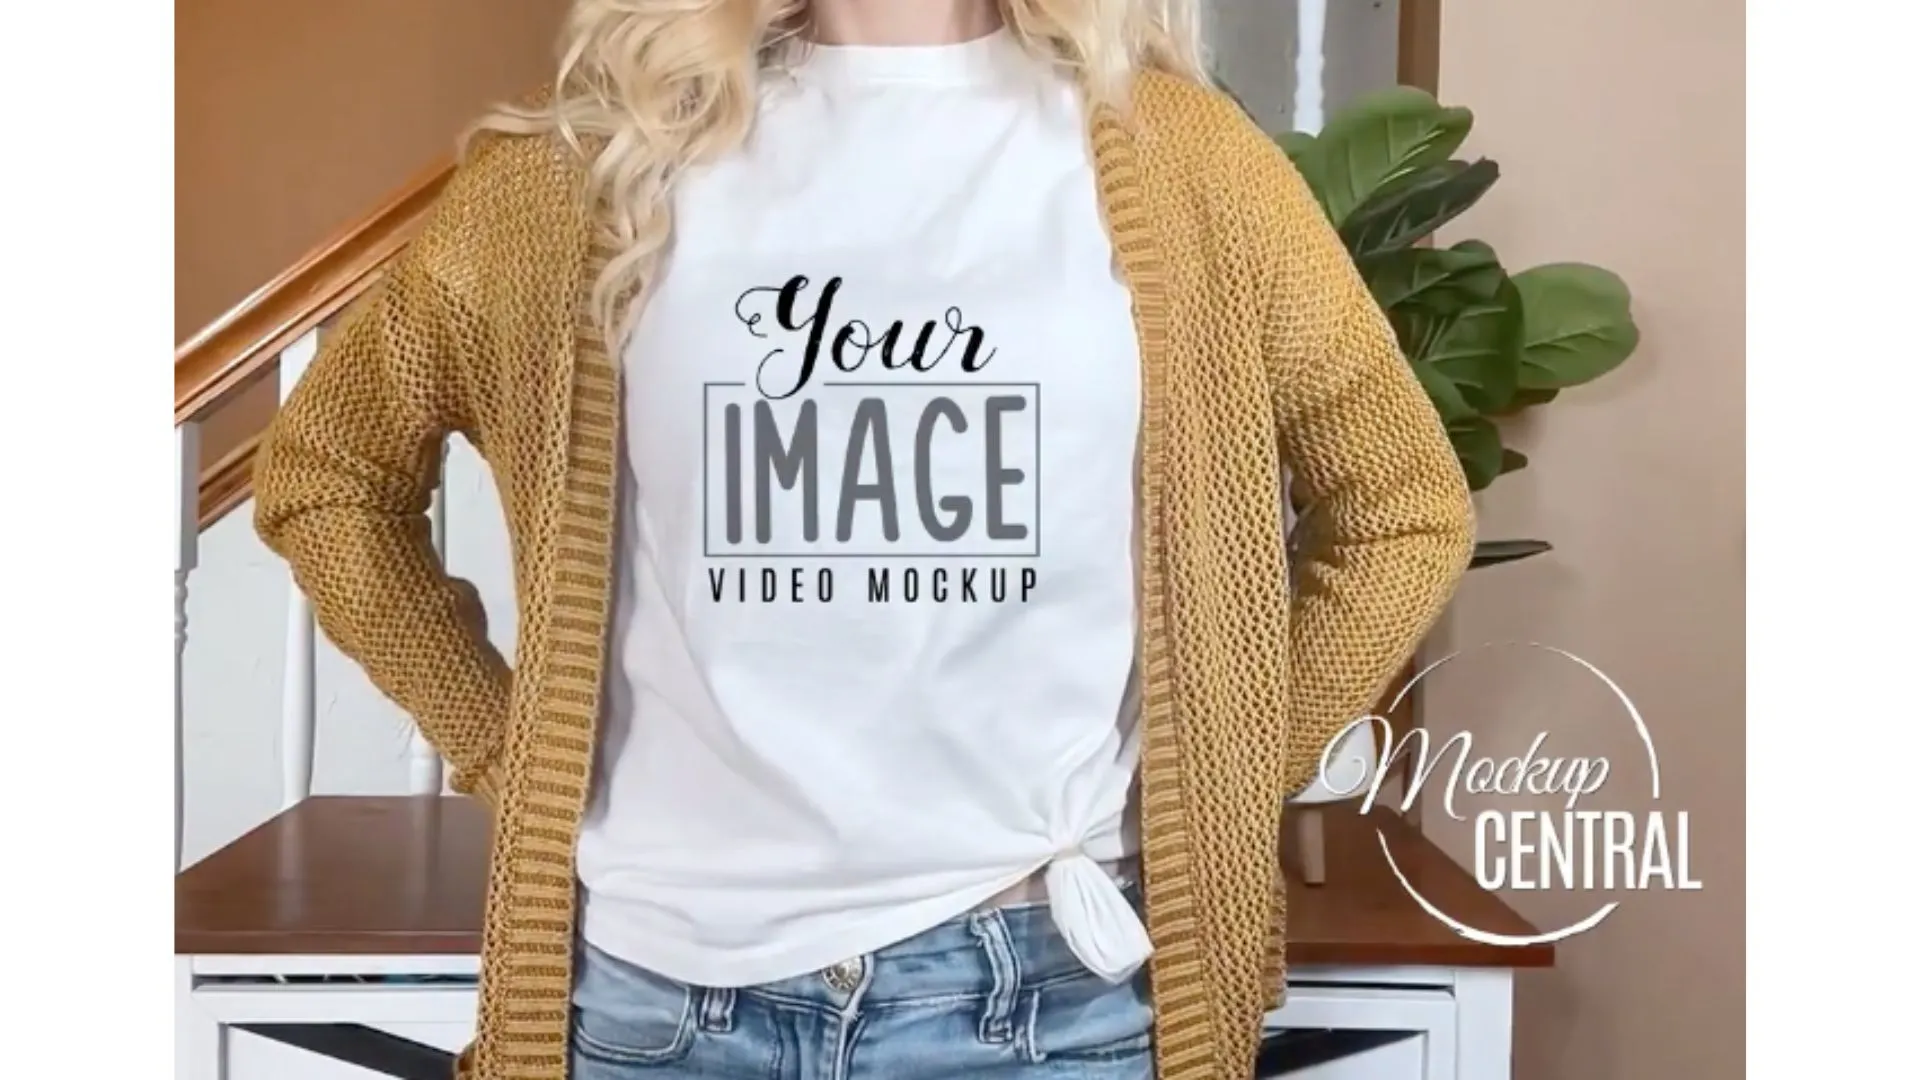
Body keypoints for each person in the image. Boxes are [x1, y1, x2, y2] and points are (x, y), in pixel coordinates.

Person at [251, 0, 1475, 1077]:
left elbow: (1404, 506)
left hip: (1051, 997)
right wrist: (509, 747)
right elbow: (329, 472)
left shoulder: (1193, 170)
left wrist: (1218, 770)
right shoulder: (578, 177)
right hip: (658, 1002)